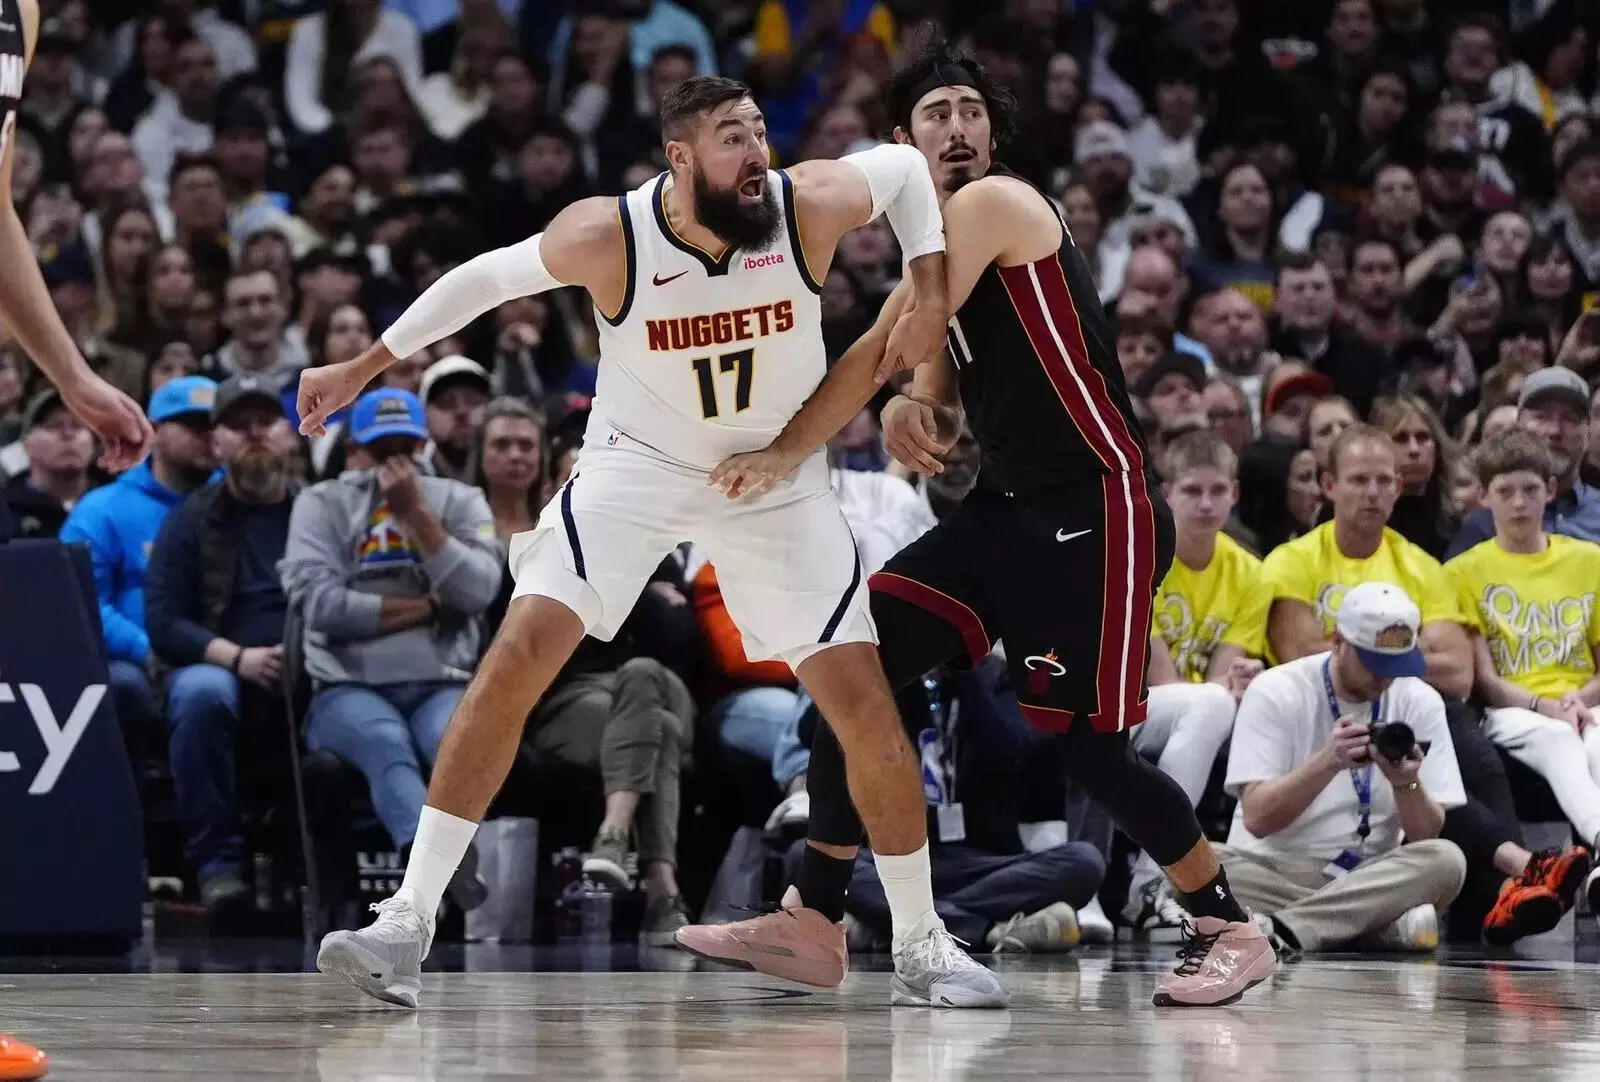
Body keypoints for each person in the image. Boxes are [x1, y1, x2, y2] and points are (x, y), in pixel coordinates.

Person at [297, 74, 1003, 1009]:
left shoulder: (807, 203)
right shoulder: (611, 234)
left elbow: (913, 174)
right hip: (639, 464)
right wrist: (365, 364)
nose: (757, 154)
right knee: (514, 660)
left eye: (759, 132)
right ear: (679, 158)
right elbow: (482, 279)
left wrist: (924, 288)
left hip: (774, 477)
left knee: (864, 702)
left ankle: (921, 943)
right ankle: (408, 921)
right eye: (730, 139)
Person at [678, 47, 1274, 1007]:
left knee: (1087, 748)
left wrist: (786, 449)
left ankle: (1229, 926)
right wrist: (925, 401)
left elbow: (889, 341)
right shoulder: (936, 245)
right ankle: (815, 916)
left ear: (991, 137)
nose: (957, 128)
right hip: (1003, 512)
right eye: (935, 114)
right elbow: (931, 369)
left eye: (970, 113)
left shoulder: (996, 205)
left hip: (1097, 506)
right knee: (853, 660)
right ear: (901, 142)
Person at [1265, 423, 1565, 943]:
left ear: (1399, 488)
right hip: (1318, 705)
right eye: (1359, 479)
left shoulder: (1422, 565)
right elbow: (1296, 653)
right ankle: (1513, 876)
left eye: (1385, 480)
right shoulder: (1292, 560)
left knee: (1467, 740)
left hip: (1409, 701)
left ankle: (1509, 894)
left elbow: (1459, 670)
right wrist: (1406, 647)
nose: (1374, 491)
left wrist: (1363, 650)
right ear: (1329, 485)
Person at [280, 388, 502, 923]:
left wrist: (418, 517)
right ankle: (434, 869)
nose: (393, 463)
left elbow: (480, 592)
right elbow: (319, 603)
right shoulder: (322, 502)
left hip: (443, 680)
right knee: (384, 740)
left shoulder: (460, 500)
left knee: (447, 739)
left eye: (404, 446)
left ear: (424, 443)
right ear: (356, 447)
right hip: (345, 689)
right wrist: (427, 606)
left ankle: (426, 877)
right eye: (381, 449)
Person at [1220, 582, 1468, 953]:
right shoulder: (1275, 689)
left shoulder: (1420, 699)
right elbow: (1257, 819)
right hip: (1275, 866)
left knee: (1448, 861)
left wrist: (1407, 784)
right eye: (1373, 664)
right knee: (1202, 866)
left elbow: (1425, 836)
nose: (1384, 679)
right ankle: (1375, 926)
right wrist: (1328, 761)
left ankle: (1286, 928)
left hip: (1372, 873)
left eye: (1396, 666)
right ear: (1338, 643)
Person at [143, 374, 298, 909]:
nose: (254, 434)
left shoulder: (317, 511)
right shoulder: (189, 520)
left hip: (309, 666)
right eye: (238, 424)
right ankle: (218, 865)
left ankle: (328, 868)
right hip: (222, 663)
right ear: (217, 443)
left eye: (266, 421)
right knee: (201, 693)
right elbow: (163, 621)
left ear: (291, 433)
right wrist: (236, 657)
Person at [1445, 430, 1600, 929]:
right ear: (1485, 494)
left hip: (1584, 698)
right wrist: (1545, 706)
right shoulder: (1463, 571)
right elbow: (1485, 680)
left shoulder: (1588, 560)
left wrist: (1580, 698)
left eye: (1531, 490)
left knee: (1597, 738)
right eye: (1506, 491)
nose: (1519, 503)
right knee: (1559, 737)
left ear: (1551, 490)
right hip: (1515, 711)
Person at [1131, 431, 1268, 934]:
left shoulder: (1252, 574)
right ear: (1166, 493)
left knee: (1224, 703)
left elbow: (1223, 677)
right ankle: (1154, 882)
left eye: (1217, 491)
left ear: (1235, 493)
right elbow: (1160, 676)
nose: (1206, 504)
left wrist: (1229, 687)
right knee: (1212, 704)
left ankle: (1151, 883)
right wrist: (1218, 692)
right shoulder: (1143, 555)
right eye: (1192, 491)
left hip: (1202, 713)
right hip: (1130, 710)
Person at [60, 376, 218, 764]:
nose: (207, 436)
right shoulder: (102, 509)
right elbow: (77, 600)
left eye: (214, 425)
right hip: (134, 659)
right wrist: (145, 648)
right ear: (157, 430)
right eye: (193, 426)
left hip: (220, 652)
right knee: (124, 685)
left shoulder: (233, 501)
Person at [1447, 368, 1600, 555]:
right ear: (1518, 426)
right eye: (1541, 417)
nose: (1555, 431)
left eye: (1570, 419)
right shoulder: (1484, 524)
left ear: (1588, 432)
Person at [3, 388, 93, 539]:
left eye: (78, 425)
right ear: (26, 442)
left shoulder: (114, 505)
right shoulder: (6, 511)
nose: (68, 434)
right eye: (53, 426)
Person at [418, 354, 490, 486]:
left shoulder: (511, 475)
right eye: (446, 402)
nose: (461, 411)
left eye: (473, 400)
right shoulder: (415, 480)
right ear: (424, 416)